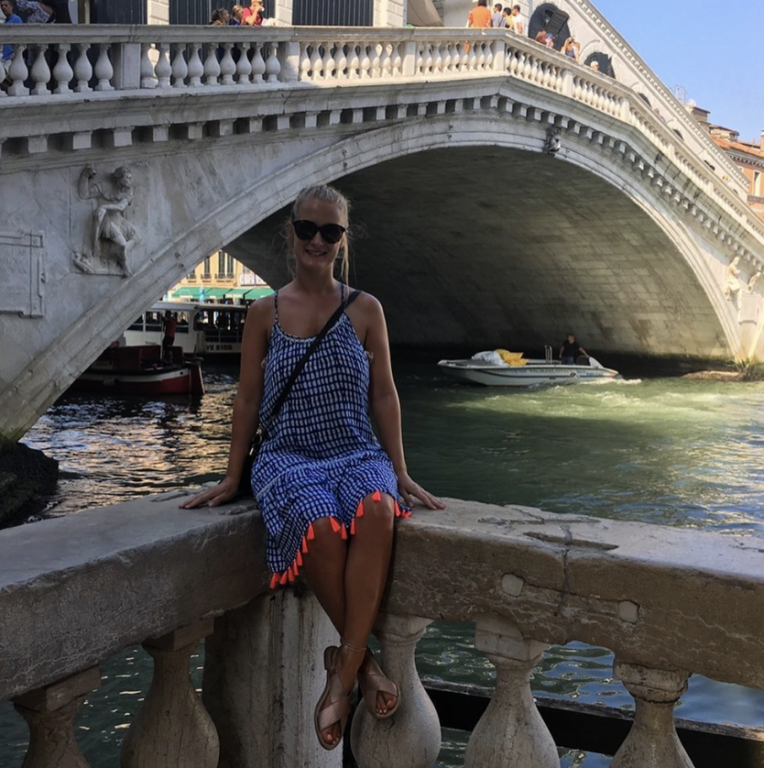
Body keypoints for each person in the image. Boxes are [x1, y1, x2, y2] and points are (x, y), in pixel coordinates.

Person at [181, 184, 444, 751]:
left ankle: (340, 672)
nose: (317, 241)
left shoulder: (366, 309)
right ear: (291, 232)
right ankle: (359, 666)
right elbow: (247, 399)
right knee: (318, 525)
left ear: (343, 240)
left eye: (330, 232)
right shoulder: (264, 312)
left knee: (377, 510)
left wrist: (400, 470)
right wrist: (232, 476)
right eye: (307, 229)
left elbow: (385, 395)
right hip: (287, 456)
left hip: (354, 449)